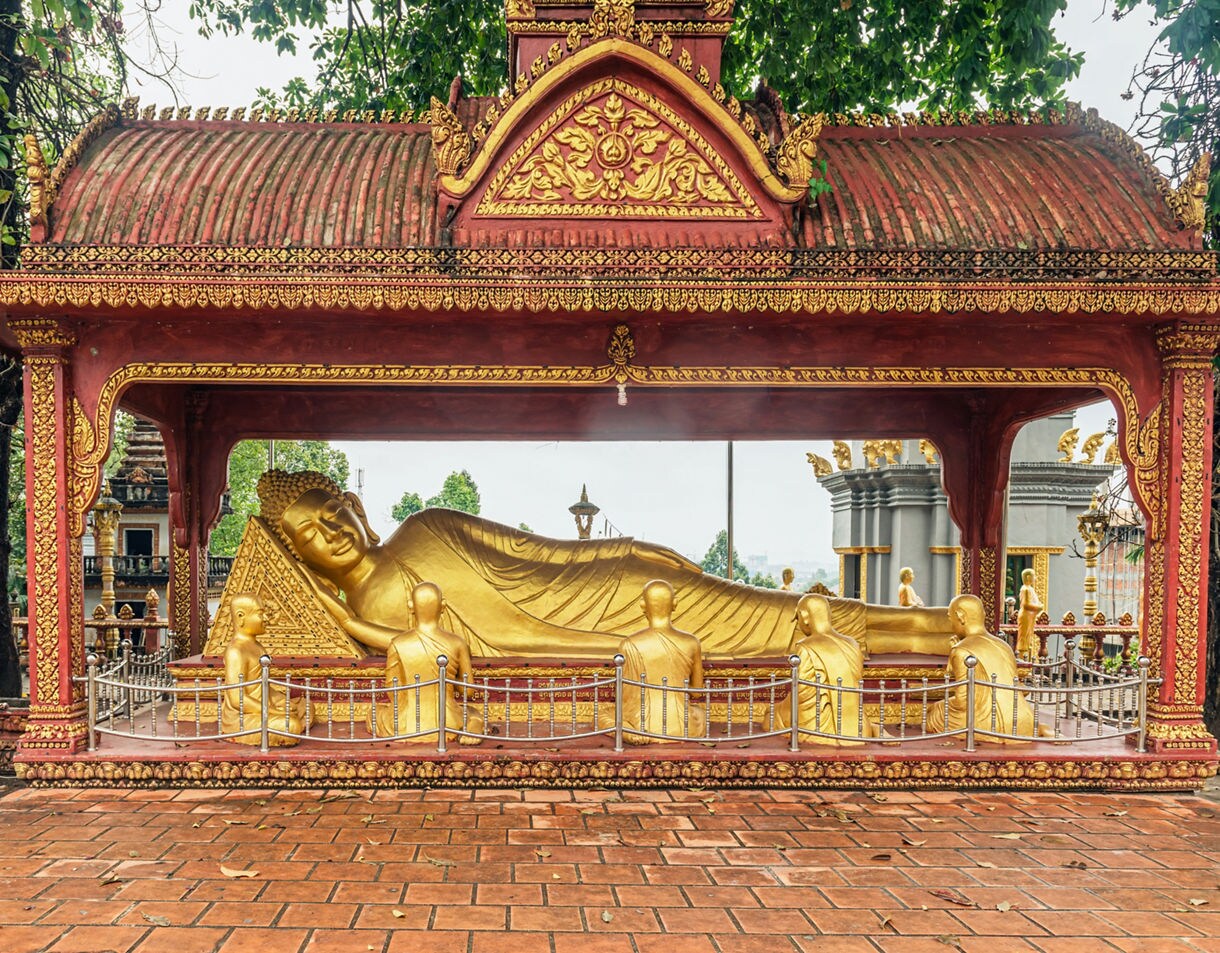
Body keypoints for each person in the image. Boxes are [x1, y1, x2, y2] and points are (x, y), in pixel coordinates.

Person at [256, 469, 959, 660]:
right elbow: (467, 651)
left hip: (607, 587)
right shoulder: (370, 609)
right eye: (310, 535)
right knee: (784, 629)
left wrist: (624, 548)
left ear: (355, 505)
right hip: (602, 640)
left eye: (330, 510)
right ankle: (941, 635)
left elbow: (542, 550)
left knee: (775, 610)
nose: (330, 531)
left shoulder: (426, 524)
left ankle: (944, 629)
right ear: (302, 558)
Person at [924, 594, 1049, 742]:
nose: (951, 625)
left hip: (993, 723)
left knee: (931, 716)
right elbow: (1021, 689)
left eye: (951, 619)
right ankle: (1040, 728)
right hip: (1022, 720)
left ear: (960, 616)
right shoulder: (1003, 645)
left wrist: (938, 705)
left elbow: (963, 702)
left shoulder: (961, 651)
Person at [372, 582, 482, 744]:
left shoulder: (398, 643)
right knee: (473, 714)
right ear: (443, 605)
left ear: (411, 606)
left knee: (374, 712)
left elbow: (392, 690)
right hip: (449, 722)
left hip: (405, 725)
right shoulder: (458, 643)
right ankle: (474, 726)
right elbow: (468, 692)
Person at [601, 580, 706, 743]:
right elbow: (697, 692)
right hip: (684, 726)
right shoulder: (692, 642)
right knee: (700, 713)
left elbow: (625, 697)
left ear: (643, 605)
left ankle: (630, 734)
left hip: (642, 723)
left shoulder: (629, 644)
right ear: (675, 603)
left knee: (603, 715)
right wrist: (676, 686)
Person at [777, 593, 876, 744]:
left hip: (821, 729)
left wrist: (779, 709)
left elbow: (802, 695)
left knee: (771, 717)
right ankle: (871, 728)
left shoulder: (805, 647)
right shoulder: (853, 644)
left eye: (797, 619)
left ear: (804, 616)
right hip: (858, 726)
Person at [220, 594, 309, 746]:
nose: (266, 618)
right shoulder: (236, 651)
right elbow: (237, 699)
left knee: (305, 707)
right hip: (242, 717)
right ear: (241, 617)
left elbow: (262, 687)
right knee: (291, 726)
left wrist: (282, 702)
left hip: (263, 705)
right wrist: (274, 711)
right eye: (260, 613)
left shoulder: (258, 647)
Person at [1016, 569, 1043, 659]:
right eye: (1033, 576)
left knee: (1029, 638)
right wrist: (1038, 607)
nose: (1035, 578)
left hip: (1030, 615)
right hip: (1026, 615)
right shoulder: (1025, 589)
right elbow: (1026, 605)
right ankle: (1022, 659)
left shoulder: (1030, 589)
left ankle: (1026, 658)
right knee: (1024, 638)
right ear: (1028, 577)